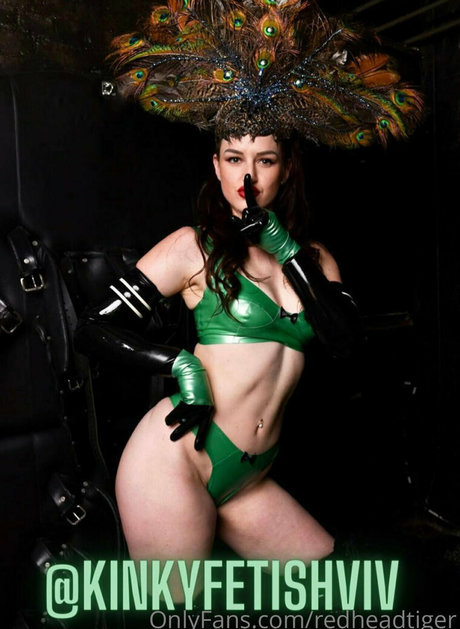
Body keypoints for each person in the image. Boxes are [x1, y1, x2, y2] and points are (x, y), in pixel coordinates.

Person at [75, 0, 423, 603]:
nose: (248, 180)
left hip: (249, 476)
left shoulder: (316, 260)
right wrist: (178, 363)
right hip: (177, 459)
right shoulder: (192, 248)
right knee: (184, 611)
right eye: (234, 159)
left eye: (264, 161)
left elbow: (346, 342)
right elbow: (90, 330)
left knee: (331, 589)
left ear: (285, 169)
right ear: (216, 166)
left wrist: (285, 248)